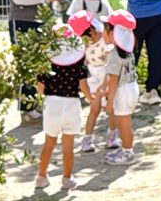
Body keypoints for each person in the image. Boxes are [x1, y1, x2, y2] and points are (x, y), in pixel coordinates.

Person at [0, 0, 64, 123]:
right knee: (26, 65)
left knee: (46, 63)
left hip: (45, 20)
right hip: (23, 21)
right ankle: (26, 109)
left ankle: (43, 102)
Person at [34, 19, 95, 190]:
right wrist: (90, 99)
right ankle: (67, 178)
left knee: (49, 143)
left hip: (52, 104)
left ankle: (41, 176)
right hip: (71, 104)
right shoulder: (77, 63)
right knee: (68, 146)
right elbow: (83, 86)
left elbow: (40, 89)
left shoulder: (46, 63)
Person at [102, 10, 140, 165]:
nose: (103, 33)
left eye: (106, 29)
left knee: (124, 124)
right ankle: (125, 149)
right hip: (130, 87)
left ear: (113, 33)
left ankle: (128, 153)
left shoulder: (115, 55)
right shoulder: (126, 51)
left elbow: (113, 80)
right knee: (123, 122)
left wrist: (109, 101)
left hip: (122, 91)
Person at [77, 10, 116, 153]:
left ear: (92, 32)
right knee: (95, 107)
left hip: (107, 74)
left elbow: (111, 62)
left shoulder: (105, 41)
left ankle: (112, 135)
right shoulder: (84, 44)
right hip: (93, 76)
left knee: (112, 108)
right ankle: (87, 138)